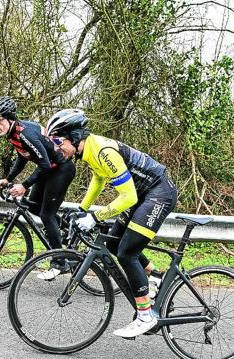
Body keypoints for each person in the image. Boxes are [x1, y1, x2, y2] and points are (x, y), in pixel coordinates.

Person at [47, 108, 177, 338]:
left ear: (74, 137)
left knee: (127, 253)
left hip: (158, 193)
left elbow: (128, 198)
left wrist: (95, 217)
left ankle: (145, 316)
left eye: (58, 141)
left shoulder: (104, 151)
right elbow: (98, 180)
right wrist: (82, 209)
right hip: (142, 194)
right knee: (115, 245)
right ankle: (155, 275)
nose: (56, 148)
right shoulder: (90, 150)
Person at [0, 96, 76, 279]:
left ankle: (60, 262)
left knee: (46, 215)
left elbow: (44, 164)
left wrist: (24, 185)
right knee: (33, 206)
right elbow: (22, 157)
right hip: (49, 169)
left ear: (10, 118)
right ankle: (66, 229)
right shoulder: (14, 134)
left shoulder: (26, 134)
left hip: (61, 170)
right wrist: (8, 178)